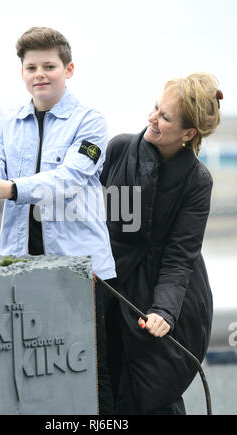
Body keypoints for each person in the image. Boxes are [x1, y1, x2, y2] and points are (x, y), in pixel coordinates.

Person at [0, 26, 115, 414]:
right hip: (20, 267)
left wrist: (7, 189)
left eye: (49, 65)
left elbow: (70, 179)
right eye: (32, 67)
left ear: (69, 69)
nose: (40, 74)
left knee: (90, 371)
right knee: (26, 371)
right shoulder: (5, 123)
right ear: (22, 73)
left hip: (83, 273)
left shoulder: (91, 122)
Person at [100, 73, 223, 415]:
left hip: (172, 303)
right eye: (156, 107)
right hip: (113, 290)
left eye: (165, 117)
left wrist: (164, 311)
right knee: (106, 391)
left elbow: (179, 257)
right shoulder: (119, 149)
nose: (152, 118)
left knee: (155, 397)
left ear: (188, 134)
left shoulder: (198, 181)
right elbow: (93, 221)